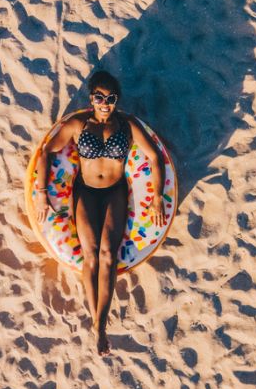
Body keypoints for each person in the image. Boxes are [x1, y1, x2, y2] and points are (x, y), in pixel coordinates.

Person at [35, 71, 166, 355]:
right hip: (85, 191)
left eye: (110, 98)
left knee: (108, 254)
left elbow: (154, 157)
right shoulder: (78, 125)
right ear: (91, 98)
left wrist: (156, 197)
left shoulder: (127, 125)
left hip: (116, 192)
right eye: (99, 97)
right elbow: (47, 152)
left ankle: (100, 325)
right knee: (91, 253)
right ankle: (98, 323)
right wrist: (43, 194)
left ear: (116, 100)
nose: (105, 103)